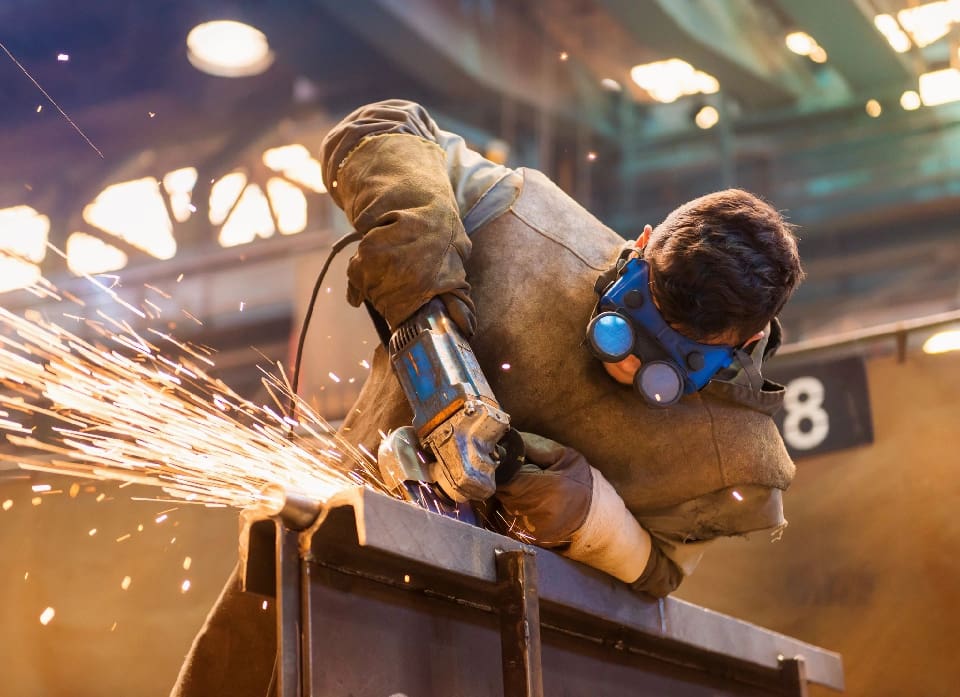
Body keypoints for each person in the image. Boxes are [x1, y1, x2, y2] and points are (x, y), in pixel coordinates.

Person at [171, 98, 803, 696]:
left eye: (669, 364)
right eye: (627, 322)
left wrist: (590, 517)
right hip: (322, 554)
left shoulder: (735, 464)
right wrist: (418, 241)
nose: (628, 359)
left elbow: (659, 573)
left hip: (493, 656)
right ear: (641, 244)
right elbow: (382, 124)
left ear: (747, 340)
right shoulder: (521, 223)